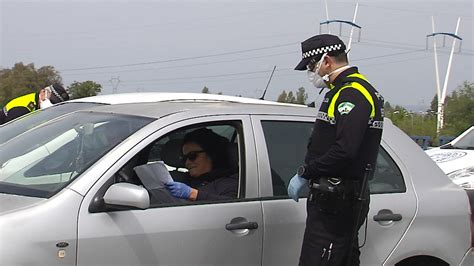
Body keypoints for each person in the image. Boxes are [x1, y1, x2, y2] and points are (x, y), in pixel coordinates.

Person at [288, 34, 384, 266]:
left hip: (337, 198)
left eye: (312, 66)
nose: (313, 72)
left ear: (327, 60)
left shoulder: (352, 93)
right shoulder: (342, 90)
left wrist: (306, 171)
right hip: (334, 196)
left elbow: (345, 150)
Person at [165, 128, 238, 201]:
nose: (187, 163)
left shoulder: (229, 183)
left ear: (211, 154)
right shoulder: (183, 179)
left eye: (192, 156)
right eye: (184, 159)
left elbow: (233, 208)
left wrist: (194, 194)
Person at [0, 84, 69, 125]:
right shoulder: (23, 109)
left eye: (56, 104)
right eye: (52, 101)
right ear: (43, 92)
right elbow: (10, 133)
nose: (52, 105)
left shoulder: (39, 107)